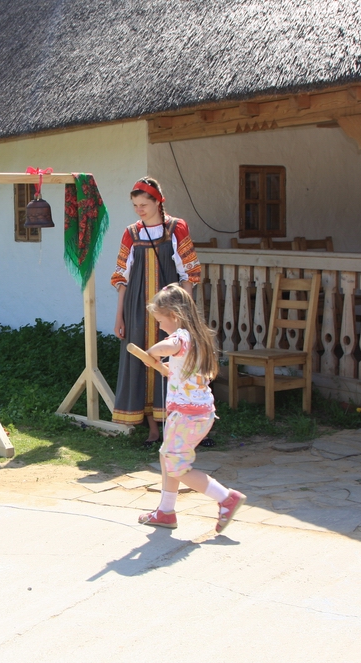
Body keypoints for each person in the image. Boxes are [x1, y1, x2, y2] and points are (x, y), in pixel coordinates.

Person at [137, 284, 246, 532]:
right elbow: (184, 366)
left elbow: (165, 347)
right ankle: (165, 511)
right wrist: (169, 368)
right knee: (167, 456)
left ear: (174, 315)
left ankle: (226, 498)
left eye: (160, 321)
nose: (160, 326)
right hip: (199, 412)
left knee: (176, 467)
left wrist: (153, 352)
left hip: (187, 414)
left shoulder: (180, 337)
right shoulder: (197, 337)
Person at [112, 177, 201, 445]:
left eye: (143, 204)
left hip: (171, 310)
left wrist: (187, 312)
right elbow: (122, 277)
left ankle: (180, 426)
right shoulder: (131, 233)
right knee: (144, 361)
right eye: (135, 205)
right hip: (137, 309)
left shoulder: (176, 228)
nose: (138, 210)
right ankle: (153, 428)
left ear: (158, 202)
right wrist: (120, 316)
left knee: (178, 362)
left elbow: (189, 272)